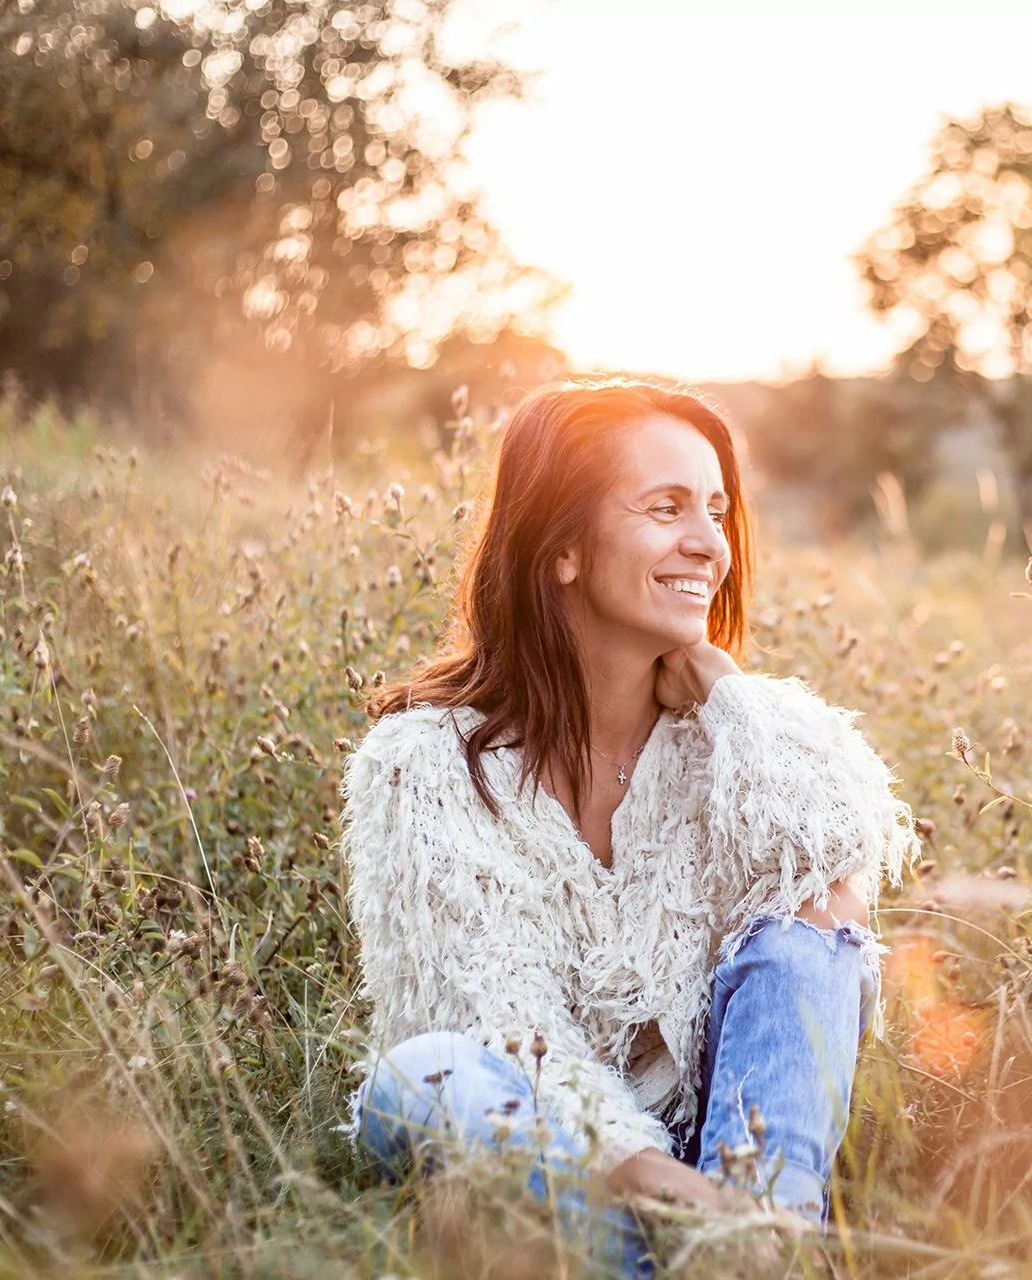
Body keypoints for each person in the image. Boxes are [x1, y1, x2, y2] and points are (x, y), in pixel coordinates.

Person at [339, 377, 918, 1274]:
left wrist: (729, 700)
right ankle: (745, 1256)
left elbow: (843, 884)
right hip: (563, 1162)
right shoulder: (424, 764)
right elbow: (498, 1026)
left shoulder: (734, 742)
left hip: (730, 1151)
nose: (708, 545)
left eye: (717, 512)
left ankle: (754, 1243)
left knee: (812, 928)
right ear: (563, 547)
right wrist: (672, 1192)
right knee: (423, 1079)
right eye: (666, 508)